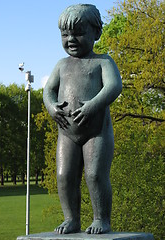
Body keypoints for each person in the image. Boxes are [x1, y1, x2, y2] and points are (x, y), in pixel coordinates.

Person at [43, 4, 122, 234]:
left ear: (96, 33)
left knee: (95, 174)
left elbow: (114, 86)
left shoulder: (102, 62)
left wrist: (93, 106)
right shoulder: (61, 65)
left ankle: (101, 219)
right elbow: (48, 91)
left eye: (78, 32)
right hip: (66, 132)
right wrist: (51, 107)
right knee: (64, 175)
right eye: (65, 34)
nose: (71, 39)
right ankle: (71, 218)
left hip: (96, 132)